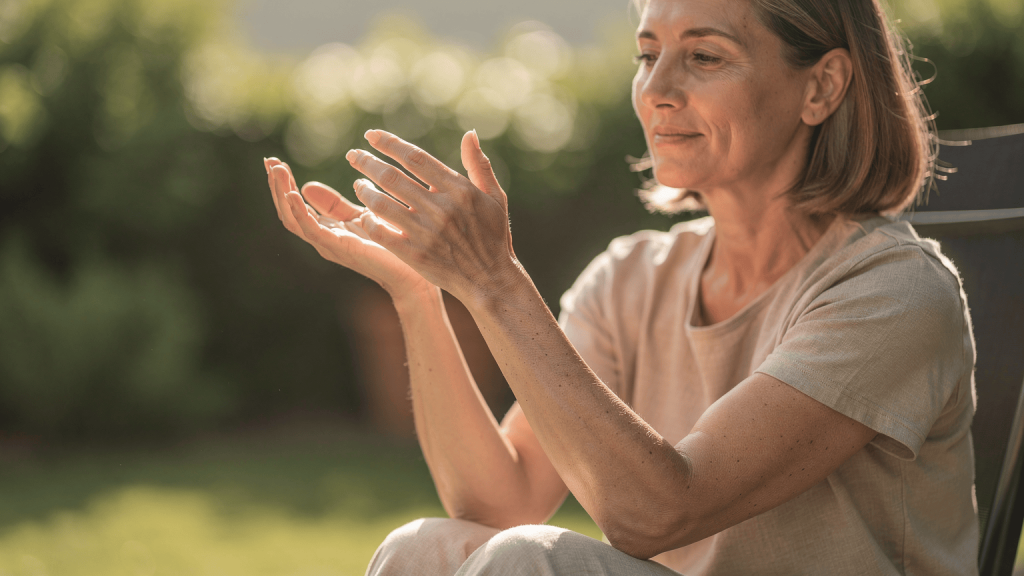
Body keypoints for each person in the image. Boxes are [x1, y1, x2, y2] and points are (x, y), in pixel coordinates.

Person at [264, 0, 978, 573]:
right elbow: (502, 499)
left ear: (820, 86)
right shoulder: (635, 277)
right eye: (646, 55)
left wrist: (496, 282)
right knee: (420, 548)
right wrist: (420, 297)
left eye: (702, 56)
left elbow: (659, 512)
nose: (658, 90)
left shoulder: (892, 291)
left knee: (526, 562)